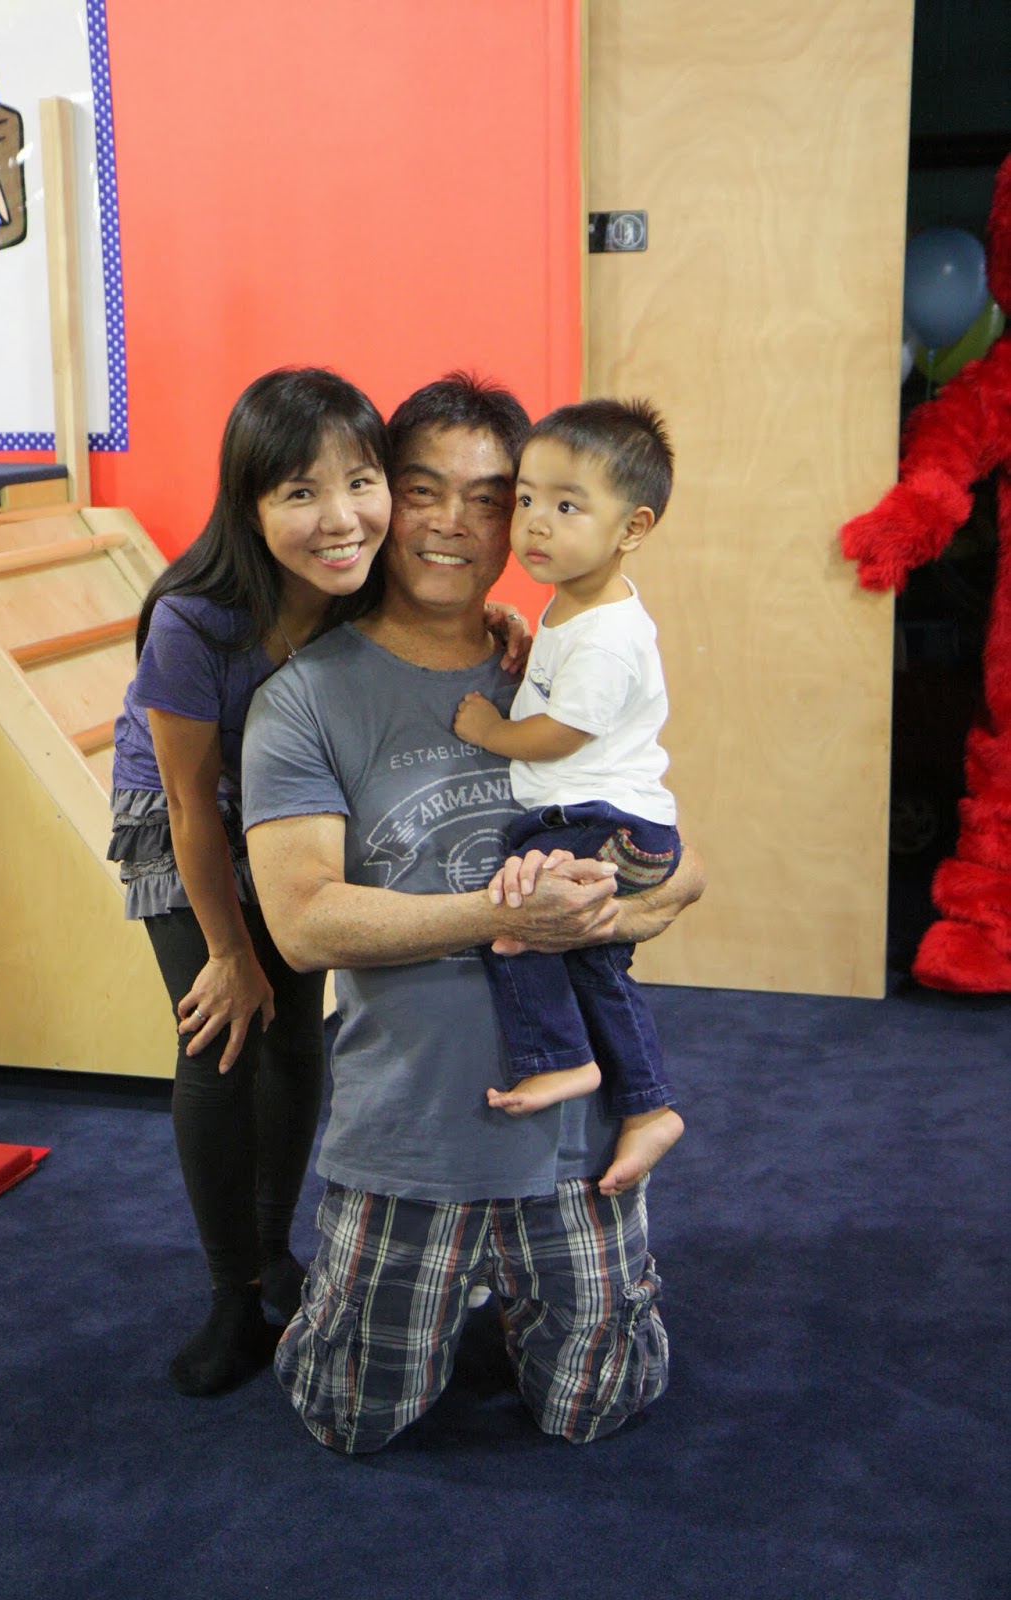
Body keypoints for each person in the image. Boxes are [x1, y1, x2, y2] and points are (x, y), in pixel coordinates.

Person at [242, 372, 705, 1452]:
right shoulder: (303, 698)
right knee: (348, 1418)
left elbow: (681, 874)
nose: (454, 522)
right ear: (383, 501)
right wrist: (512, 921)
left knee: (599, 1408)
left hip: (576, 1145)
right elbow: (304, 925)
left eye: (492, 498)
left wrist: (609, 917)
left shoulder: (558, 666)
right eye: (422, 490)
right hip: (409, 1141)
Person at [108, 366, 394, 1398]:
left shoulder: (373, 591)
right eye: (300, 492)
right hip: (187, 820)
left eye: (360, 481)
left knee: (296, 1032)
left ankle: (275, 1253)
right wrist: (228, 950)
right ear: (251, 503)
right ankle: (232, 1293)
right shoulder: (195, 618)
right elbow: (190, 806)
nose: (340, 518)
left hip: (294, 817)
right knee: (223, 1033)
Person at [452, 397, 684, 1197]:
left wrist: (491, 729)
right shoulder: (575, 603)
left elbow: (560, 734)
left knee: (517, 918)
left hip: (603, 823)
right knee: (595, 967)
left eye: (567, 506)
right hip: (609, 818)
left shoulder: (608, 634)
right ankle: (648, 1104)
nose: (536, 525)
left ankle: (561, 1057)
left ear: (633, 528)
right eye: (525, 500)